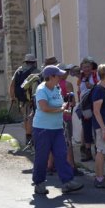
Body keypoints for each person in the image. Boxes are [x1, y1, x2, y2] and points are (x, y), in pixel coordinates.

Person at [31, 65, 84, 195]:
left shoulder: (56, 88)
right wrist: (61, 109)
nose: (60, 77)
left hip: (57, 128)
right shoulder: (41, 89)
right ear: (51, 77)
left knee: (61, 154)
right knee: (41, 157)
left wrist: (66, 105)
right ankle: (39, 183)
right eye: (58, 75)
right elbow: (44, 107)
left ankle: (67, 182)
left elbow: (58, 105)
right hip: (42, 129)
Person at [9, 53, 39, 146]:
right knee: (31, 118)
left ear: (25, 62)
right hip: (32, 99)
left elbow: (12, 85)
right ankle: (30, 138)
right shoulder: (36, 71)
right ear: (34, 62)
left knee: (26, 118)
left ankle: (28, 138)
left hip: (21, 100)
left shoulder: (18, 71)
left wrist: (12, 97)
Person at [77, 57, 99, 162]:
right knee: (86, 128)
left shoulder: (95, 75)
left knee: (96, 128)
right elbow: (79, 90)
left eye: (88, 67)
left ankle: (98, 152)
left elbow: (100, 87)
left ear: (91, 67)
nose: (86, 69)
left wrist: (92, 86)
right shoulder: (81, 77)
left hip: (95, 104)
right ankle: (87, 152)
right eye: (84, 67)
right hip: (84, 105)